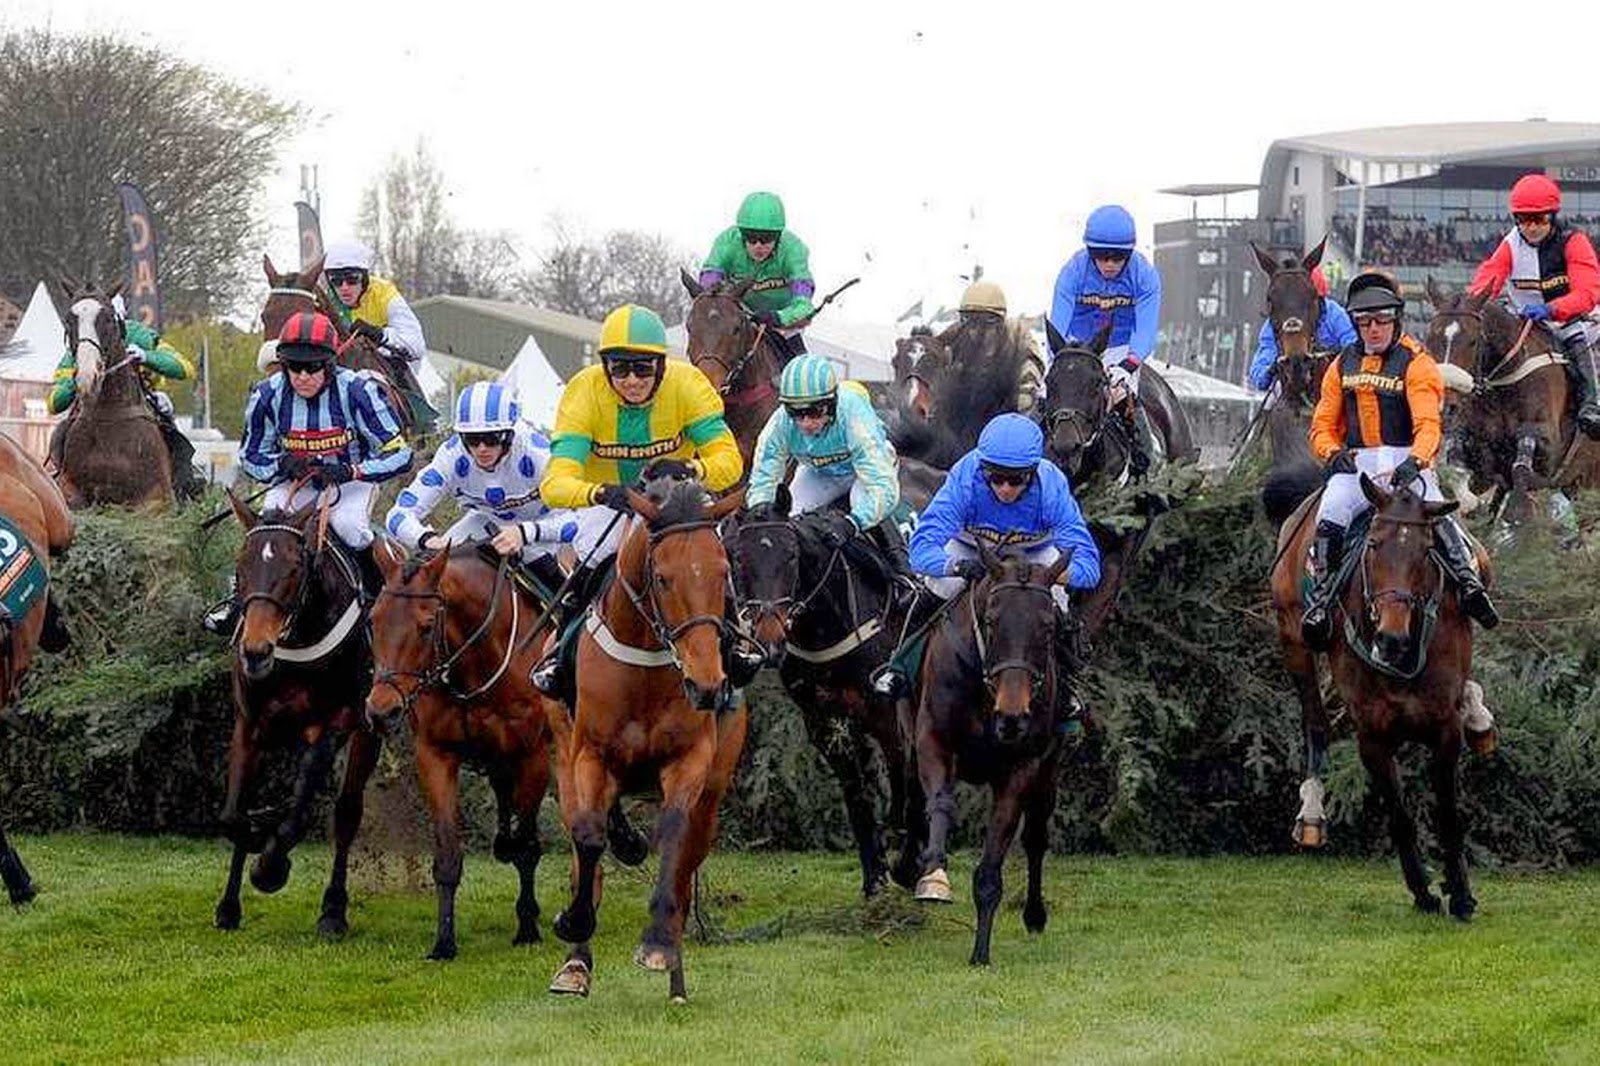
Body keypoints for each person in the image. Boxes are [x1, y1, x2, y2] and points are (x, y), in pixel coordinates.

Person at [528, 304, 754, 700]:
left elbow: (729, 462)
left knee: (709, 559)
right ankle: (561, 652)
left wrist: (691, 468)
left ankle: (736, 643)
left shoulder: (689, 385)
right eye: (619, 369)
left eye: (643, 369)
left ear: (661, 367)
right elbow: (554, 484)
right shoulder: (583, 392)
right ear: (605, 367)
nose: (631, 380)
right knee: (593, 556)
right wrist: (601, 492)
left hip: (677, 500)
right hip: (612, 502)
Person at [1302, 271, 1499, 651]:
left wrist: (1417, 460)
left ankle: (1469, 584)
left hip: (1406, 460)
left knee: (1435, 510)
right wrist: (1331, 453)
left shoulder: (1417, 363)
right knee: (1332, 510)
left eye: (1381, 320)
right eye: (1364, 322)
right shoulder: (1341, 365)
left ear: (1396, 320)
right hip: (1357, 464)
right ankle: (1320, 601)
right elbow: (1321, 426)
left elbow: (1428, 424)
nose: (1373, 329)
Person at [203, 312, 412, 634]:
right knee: (264, 534)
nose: (302, 376)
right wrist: (281, 464)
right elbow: (250, 455)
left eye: (312, 367)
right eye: (293, 366)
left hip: (351, 482)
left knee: (350, 528)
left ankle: (383, 603)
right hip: (293, 483)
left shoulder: (359, 390)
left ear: (330, 364)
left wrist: (352, 470)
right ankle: (236, 605)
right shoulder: (267, 394)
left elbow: (399, 454)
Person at [872, 413, 1101, 699]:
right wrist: (956, 566)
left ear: (1032, 473)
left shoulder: (1051, 487)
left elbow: (1089, 568)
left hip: (1034, 554)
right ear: (983, 468)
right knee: (937, 586)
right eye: (996, 477)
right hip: (970, 547)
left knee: (1058, 601)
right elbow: (920, 551)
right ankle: (898, 665)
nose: (1005, 488)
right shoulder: (965, 479)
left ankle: (1068, 688)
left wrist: (1049, 576)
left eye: (1016, 480)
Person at [745, 353, 914, 595]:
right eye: (795, 412)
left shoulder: (852, 413)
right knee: (787, 519)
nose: (805, 422)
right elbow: (764, 475)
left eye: (815, 411)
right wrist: (760, 506)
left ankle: (904, 574)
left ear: (832, 402)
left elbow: (882, 488)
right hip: (820, 471)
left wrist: (853, 522)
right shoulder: (780, 423)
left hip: (865, 470)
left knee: (861, 501)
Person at [384, 381, 576, 590]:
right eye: (472, 439)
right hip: (485, 522)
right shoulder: (451, 456)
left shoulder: (539, 455)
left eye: (492, 438)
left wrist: (526, 532)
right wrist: (427, 539)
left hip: (543, 528)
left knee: (562, 595)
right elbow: (397, 516)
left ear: (509, 434)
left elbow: (579, 520)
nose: (482, 448)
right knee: (429, 573)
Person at [1468, 173, 1600, 439]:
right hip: (1527, 324)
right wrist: (1471, 303)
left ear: (1552, 216)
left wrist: (1552, 309)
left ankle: (1591, 406)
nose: (1531, 227)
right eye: (1523, 219)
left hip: (1573, 321)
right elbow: (1489, 277)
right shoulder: (1510, 244)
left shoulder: (1574, 242)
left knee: (1578, 341)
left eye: (1539, 219)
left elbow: (1588, 293)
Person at [47, 303, 202, 498]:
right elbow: (54, 403)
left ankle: (183, 487)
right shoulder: (83, 343)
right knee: (61, 432)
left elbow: (185, 368)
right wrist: (78, 379)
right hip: (87, 410)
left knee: (175, 436)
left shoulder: (138, 334)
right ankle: (59, 478)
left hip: (141, 401)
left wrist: (147, 357)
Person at [1049, 205, 1162, 471]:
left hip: (1120, 348)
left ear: (1129, 254)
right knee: (1048, 394)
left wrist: (1129, 365)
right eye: (1101, 256)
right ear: (1090, 252)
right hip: (1077, 346)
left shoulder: (1145, 276)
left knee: (1124, 396)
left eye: (1118, 257)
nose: (1109, 264)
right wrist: (1057, 358)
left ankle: (1145, 460)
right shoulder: (1073, 271)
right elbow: (1058, 322)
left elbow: (1146, 327)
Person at [698, 191, 816, 362]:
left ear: (778, 236)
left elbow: (804, 306)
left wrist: (778, 317)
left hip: (782, 322)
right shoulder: (726, 243)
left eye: (767, 239)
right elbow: (709, 283)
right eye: (751, 238)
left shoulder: (794, 250)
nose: (758, 246)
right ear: (741, 234)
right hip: (740, 315)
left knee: (802, 367)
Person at [321, 240, 428, 377]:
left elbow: (416, 346)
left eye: (352, 279)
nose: (344, 287)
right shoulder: (327, 301)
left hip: (390, 371)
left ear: (365, 278)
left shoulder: (385, 293)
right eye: (336, 280)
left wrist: (380, 335)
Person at [1248, 264, 1357, 392]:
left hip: (1333, 387)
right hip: (1289, 390)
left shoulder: (1335, 314)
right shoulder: (1274, 323)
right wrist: (1270, 370)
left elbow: (1353, 349)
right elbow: (1260, 376)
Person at [947, 280, 1045, 412]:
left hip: (1006, 415)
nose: (978, 332)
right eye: (971, 322)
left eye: (987, 323)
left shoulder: (1018, 344)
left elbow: (1027, 388)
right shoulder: (954, 342)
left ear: (1000, 323)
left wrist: (1021, 401)